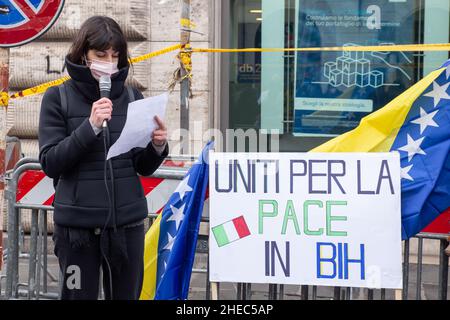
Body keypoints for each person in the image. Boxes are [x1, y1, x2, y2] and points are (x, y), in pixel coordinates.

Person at [38, 16, 169, 300]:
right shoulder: (57, 97)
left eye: (115, 55)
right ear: (83, 55)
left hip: (126, 226)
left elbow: (141, 166)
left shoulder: (132, 96)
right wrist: (91, 127)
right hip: (77, 232)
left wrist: (157, 147)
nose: (108, 61)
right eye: (100, 54)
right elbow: (50, 162)